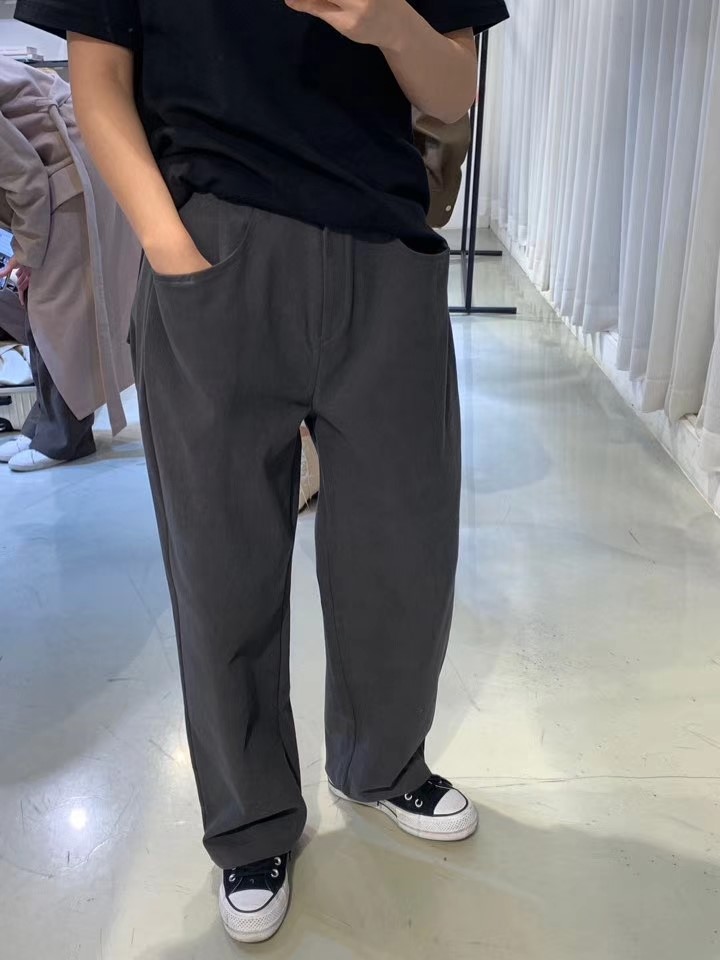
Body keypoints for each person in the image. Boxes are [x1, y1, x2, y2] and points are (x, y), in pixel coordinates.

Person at [15, 0, 509, 942]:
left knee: (404, 552)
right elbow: (99, 77)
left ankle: (383, 764)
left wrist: (388, 22)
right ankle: (250, 821)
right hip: (212, 246)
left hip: (383, 250)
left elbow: (455, 89)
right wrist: (168, 243)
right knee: (221, 566)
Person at [0, 56, 140, 472]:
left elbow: (25, 179)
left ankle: (63, 438)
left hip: (67, 173)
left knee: (58, 313)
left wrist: (26, 251)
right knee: (45, 308)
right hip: (67, 164)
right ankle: (45, 427)